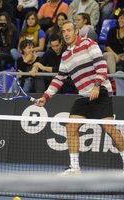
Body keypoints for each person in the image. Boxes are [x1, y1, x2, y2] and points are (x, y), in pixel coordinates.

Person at [36, 20, 124, 174]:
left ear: (76, 31)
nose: (66, 34)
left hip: (100, 90)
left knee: (110, 129)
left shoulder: (89, 44)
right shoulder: (65, 55)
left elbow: (101, 66)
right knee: (71, 127)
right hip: (84, 96)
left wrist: (97, 85)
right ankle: (75, 168)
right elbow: (59, 79)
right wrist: (45, 97)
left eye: (69, 30)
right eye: (63, 31)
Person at [103, 9, 124, 74]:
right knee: (110, 56)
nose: (120, 20)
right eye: (119, 18)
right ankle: (113, 77)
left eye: (123, 18)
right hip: (110, 53)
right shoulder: (112, 30)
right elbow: (107, 46)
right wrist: (115, 55)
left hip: (122, 55)